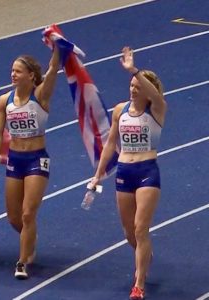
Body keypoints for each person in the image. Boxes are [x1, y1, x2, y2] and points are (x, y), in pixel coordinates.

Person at [88, 47, 166, 300]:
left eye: (137, 86)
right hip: (124, 171)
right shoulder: (120, 111)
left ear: (147, 91)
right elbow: (111, 143)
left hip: (147, 172)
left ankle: (139, 282)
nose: (133, 89)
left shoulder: (156, 110)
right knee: (129, 232)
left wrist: (134, 69)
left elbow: (155, 94)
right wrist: (98, 174)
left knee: (141, 228)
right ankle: (145, 254)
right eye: (131, 85)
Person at [0, 46, 59, 279]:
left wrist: (57, 46)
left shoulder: (41, 95)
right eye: (12, 71)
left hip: (37, 159)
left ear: (31, 76)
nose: (13, 74)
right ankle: (30, 239)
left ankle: (23, 261)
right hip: (15, 159)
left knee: (28, 214)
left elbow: (54, 68)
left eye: (18, 71)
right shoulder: (4, 100)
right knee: (14, 217)